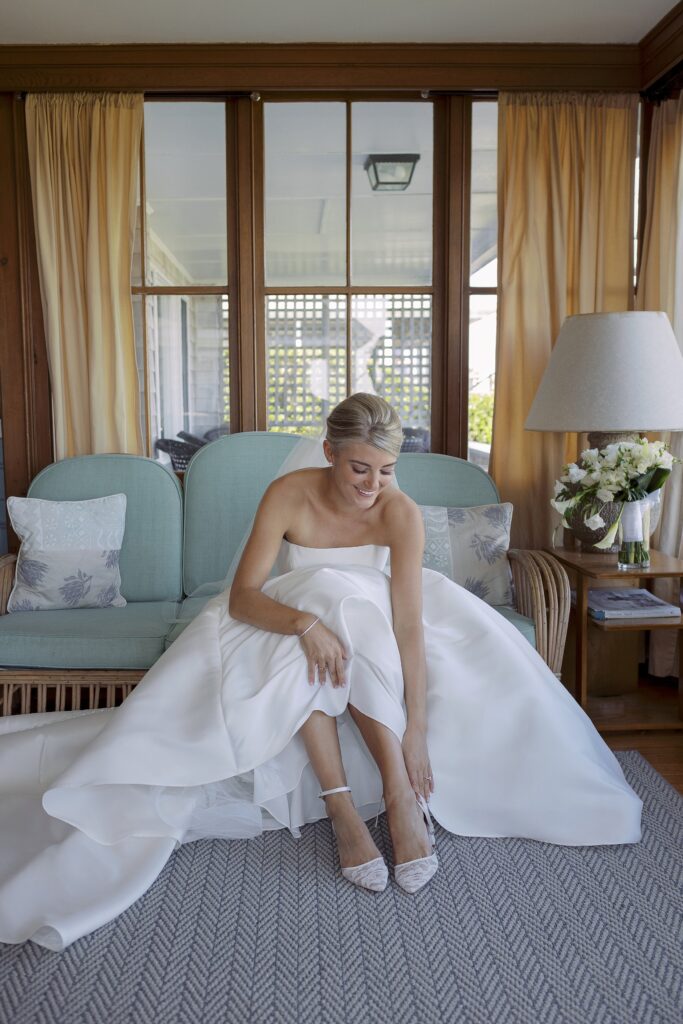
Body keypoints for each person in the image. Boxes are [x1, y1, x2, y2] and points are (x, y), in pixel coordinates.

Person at [0, 394, 642, 950]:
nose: (372, 484)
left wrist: (417, 728)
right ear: (330, 453)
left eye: (386, 471)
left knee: (350, 614)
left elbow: (409, 625)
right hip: (293, 619)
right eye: (360, 468)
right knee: (319, 612)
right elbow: (247, 596)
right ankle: (344, 810)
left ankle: (397, 795)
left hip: (377, 621)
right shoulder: (287, 493)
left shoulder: (399, 511)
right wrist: (306, 625)